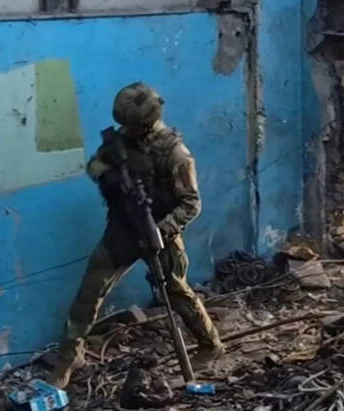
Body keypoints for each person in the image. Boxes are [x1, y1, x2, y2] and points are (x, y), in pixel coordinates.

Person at [48, 83, 224, 388]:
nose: (125, 130)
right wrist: (107, 177)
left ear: (146, 122)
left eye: (130, 125)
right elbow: (94, 163)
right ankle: (70, 356)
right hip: (122, 230)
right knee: (89, 292)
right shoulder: (121, 142)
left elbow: (191, 204)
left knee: (176, 292)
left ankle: (210, 345)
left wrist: (162, 230)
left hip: (159, 233)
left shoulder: (175, 153)